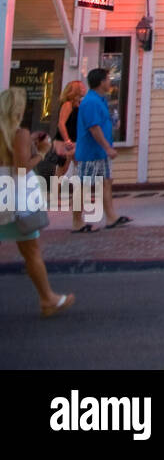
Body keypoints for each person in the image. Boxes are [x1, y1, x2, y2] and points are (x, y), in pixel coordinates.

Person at [0, 87, 75, 317]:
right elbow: (22, 168)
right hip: (16, 199)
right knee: (31, 250)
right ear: (18, 109)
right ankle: (47, 298)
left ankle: (48, 298)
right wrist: (41, 152)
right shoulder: (18, 133)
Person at [74, 68, 128, 231]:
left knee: (106, 182)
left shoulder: (100, 99)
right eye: (107, 79)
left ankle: (111, 217)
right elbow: (93, 128)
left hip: (101, 152)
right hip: (90, 152)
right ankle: (77, 222)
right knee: (83, 186)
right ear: (101, 82)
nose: (110, 82)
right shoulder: (90, 101)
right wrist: (107, 148)